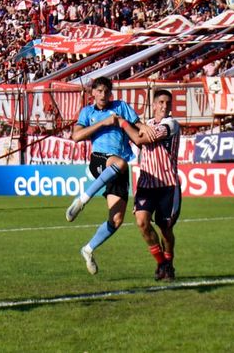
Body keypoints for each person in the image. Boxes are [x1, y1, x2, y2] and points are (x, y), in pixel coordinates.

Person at [64, 77, 154, 275]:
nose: (103, 95)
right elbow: (76, 136)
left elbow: (138, 125)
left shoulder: (121, 106)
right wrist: (103, 123)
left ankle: (88, 249)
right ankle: (82, 200)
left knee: (117, 219)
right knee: (120, 163)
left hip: (119, 166)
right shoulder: (87, 112)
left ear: (110, 93)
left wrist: (146, 128)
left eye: (106, 91)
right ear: (93, 93)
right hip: (100, 158)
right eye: (99, 91)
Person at [119, 90, 181, 281]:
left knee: (165, 229)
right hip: (146, 183)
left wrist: (122, 123)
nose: (164, 106)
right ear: (153, 105)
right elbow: (136, 140)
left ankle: (168, 263)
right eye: (161, 102)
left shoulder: (171, 124)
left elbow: (140, 139)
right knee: (142, 222)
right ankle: (163, 264)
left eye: (168, 103)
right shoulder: (146, 125)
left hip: (167, 184)